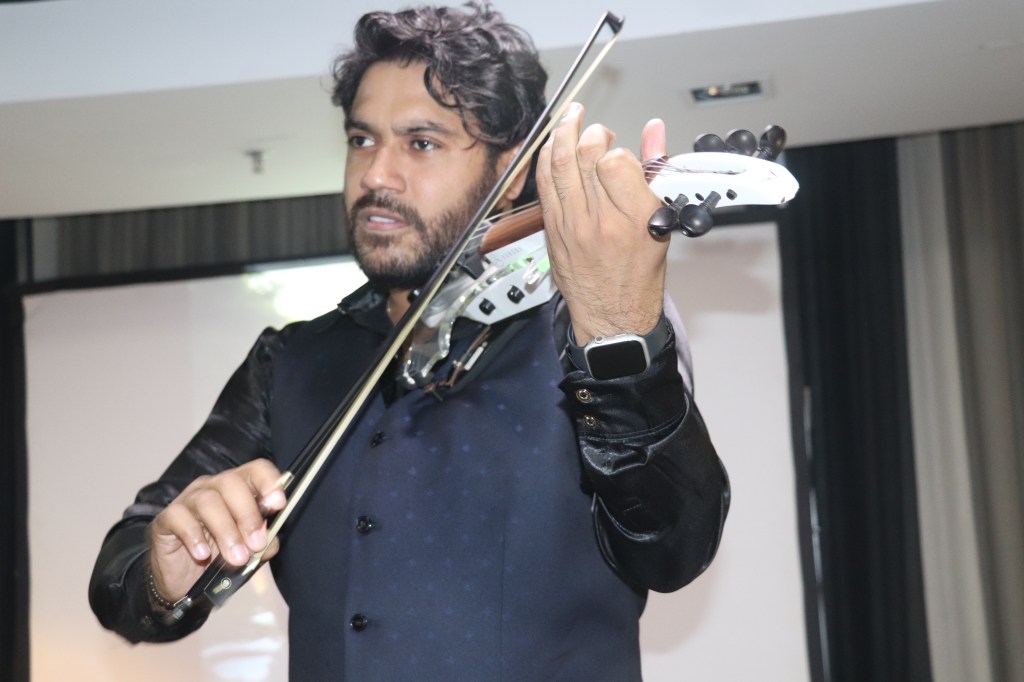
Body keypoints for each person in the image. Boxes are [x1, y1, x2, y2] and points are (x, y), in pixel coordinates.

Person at [89, 3, 730, 680]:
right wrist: (163, 566)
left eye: (421, 143)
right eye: (362, 140)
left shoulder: (595, 331)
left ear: (513, 171)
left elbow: (675, 547)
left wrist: (619, 329)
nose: (376, 175)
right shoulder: (291, 360)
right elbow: (121, 574)